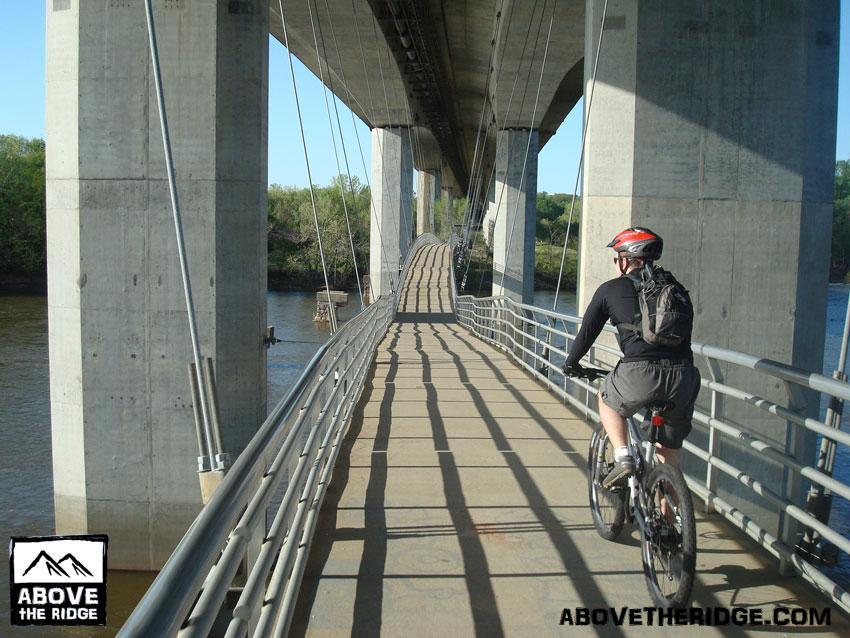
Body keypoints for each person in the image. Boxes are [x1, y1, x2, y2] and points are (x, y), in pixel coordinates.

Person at [562, 227, 700, 486]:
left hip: (640, 373)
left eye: (616, 258)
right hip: (684, 375)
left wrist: (571, 363)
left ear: (625, 260)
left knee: (606, 399)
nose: (616, 264)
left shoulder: (610, 289)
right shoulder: (676, 288)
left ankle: (623, 456)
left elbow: (587, 333)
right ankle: (670, 520)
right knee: (669, 457)